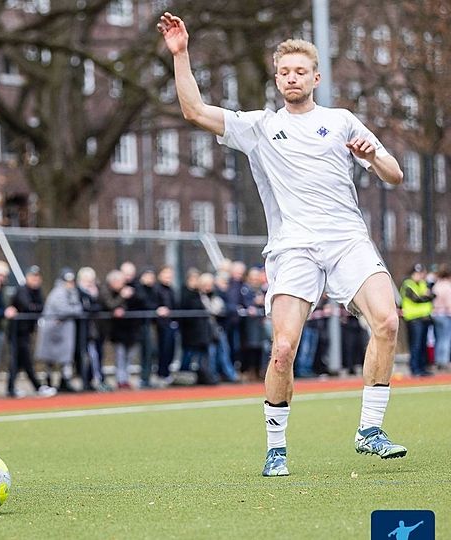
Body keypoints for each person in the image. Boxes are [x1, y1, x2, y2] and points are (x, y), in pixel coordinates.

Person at [159, 13, 408, 477]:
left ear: (315, 77)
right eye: (284, 72)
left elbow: (394, 175)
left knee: (388, 321)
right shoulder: (259, 126)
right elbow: (194, 110)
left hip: (347, 239)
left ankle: (369, 430)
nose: (292, 78)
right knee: (283, 348)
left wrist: (374, 155)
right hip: (293, 247)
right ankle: (276, 447)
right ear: (277, 79)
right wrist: (181, 54)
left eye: (301, 71)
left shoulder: (340, 121)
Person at [8, 266, 54, 397]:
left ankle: (11, 388)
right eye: (33, 277)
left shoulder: (37, 291)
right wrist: (34, 307)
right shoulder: (22, 290)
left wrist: (35, 307)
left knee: (20, 361)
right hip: (17, 331)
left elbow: (41, 307)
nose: (35, 280)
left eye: (37, 277)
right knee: (23, 360)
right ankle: (36, 386)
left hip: (27, 331)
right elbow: (27, 306)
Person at [34, 269, 83, 392]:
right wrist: (74, 310)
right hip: (52, 330)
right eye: (67, 281)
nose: (70, 284)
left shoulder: (72, 292)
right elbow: (64, 309)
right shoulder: (58, 293)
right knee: (49, 358)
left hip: (64, 331)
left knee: (65, 358)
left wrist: (74, 310)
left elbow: (78, 307)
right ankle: (49, 382)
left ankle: (64, 381)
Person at [400, 263, 433, 377]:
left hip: (424, 318)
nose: (420, 276)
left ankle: (422, 367)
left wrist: (426, 296)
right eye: (417, 273)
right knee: (416, 344)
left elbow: (432, 295)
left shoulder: (423, 284)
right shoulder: (408, 284)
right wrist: (426, 297)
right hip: (414, 319)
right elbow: (416, 299)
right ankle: (415, 368)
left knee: (423, 344)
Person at [430, 265, 451, 371]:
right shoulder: (447, 286)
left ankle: (438, 361)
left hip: (435, 314)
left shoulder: (436, 285)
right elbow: (449, 303)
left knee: (438, 339)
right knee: (446, 339)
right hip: (445, 314)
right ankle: (444, 361)